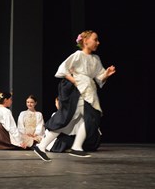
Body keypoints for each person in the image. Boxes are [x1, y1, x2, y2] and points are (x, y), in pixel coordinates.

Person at [33, 30, 116, 162]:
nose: (98, 42)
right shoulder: (78, 55)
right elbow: (62, 69)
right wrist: (74, 81)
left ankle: (66, 146)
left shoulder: (96, 59)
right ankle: (57, 146)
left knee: (85, 119)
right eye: (95, 39)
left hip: (89, 90)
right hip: (79, 91)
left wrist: (106, 74)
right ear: (85, 41)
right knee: (76, 117)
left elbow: (98, 77)